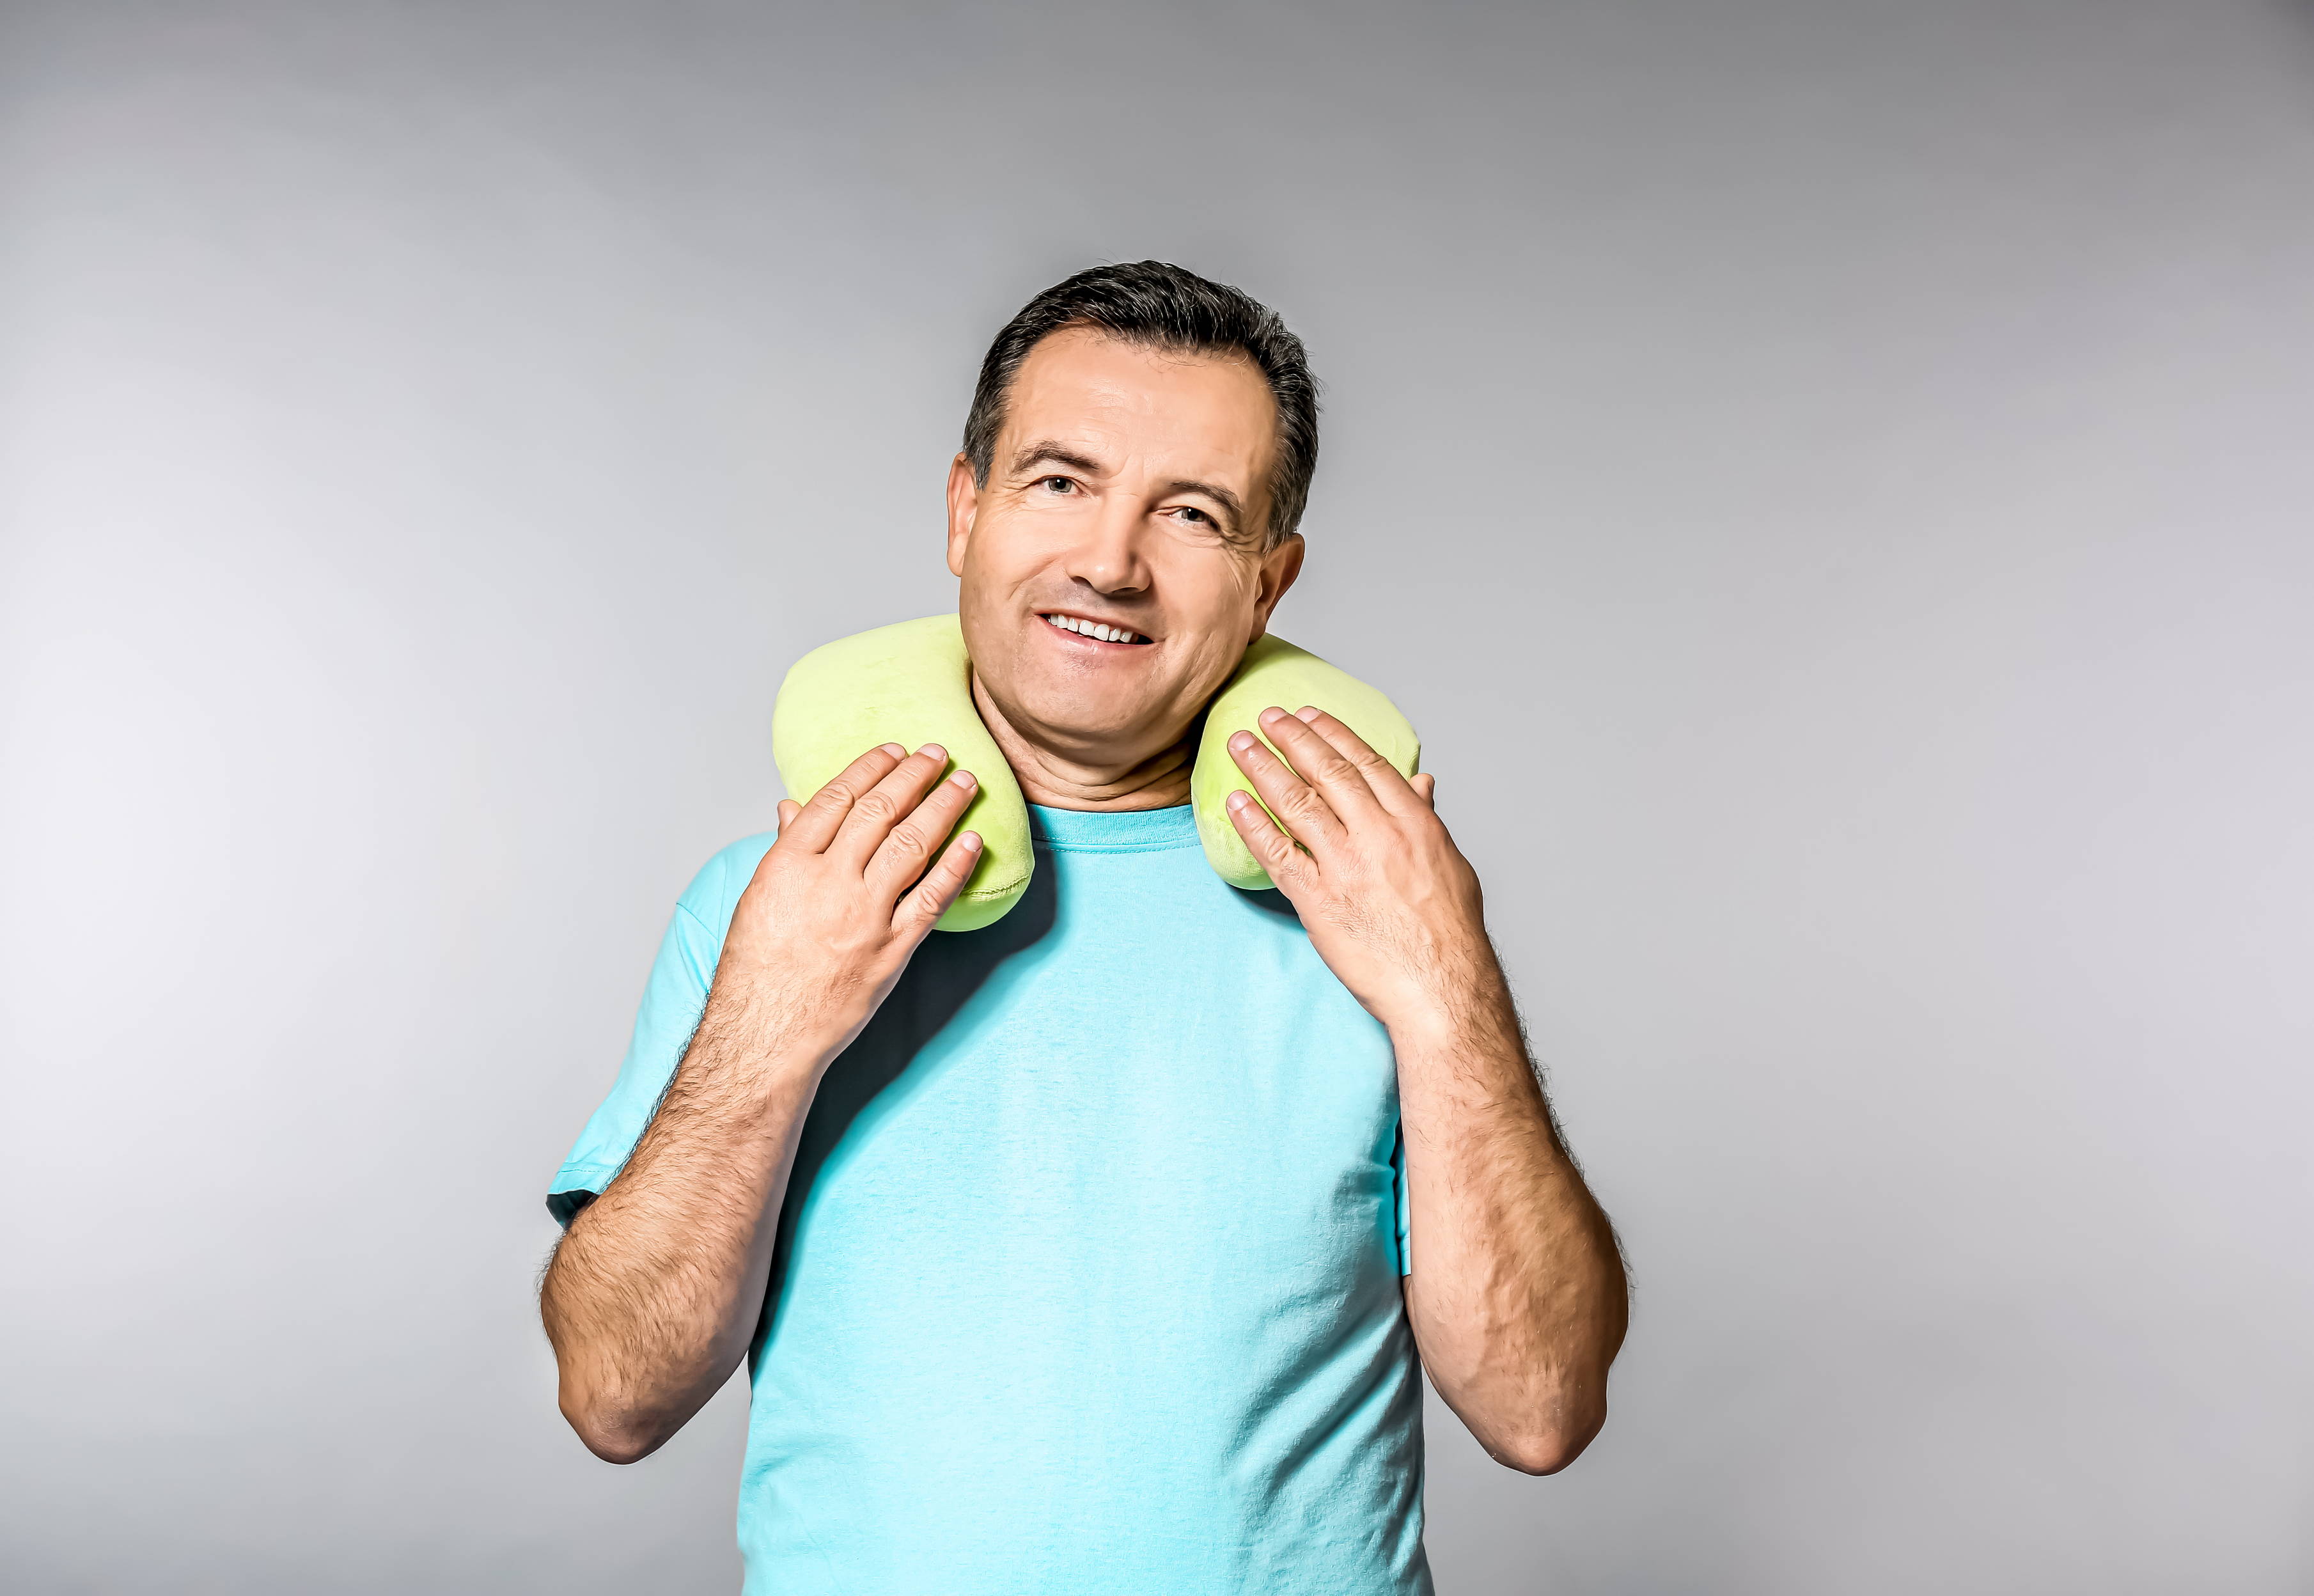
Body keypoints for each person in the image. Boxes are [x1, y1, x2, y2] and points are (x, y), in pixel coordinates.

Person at [539, 261, 1628, 1594]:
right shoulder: (770, 900)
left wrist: (1445, 986)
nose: (1108, 563)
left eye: (1191, 514)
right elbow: (614, 1396)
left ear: (1270, 581)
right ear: (965, 510)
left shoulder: (1377, 912)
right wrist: (778, 1017)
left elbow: (1541, 1409)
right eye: (1060, 481)